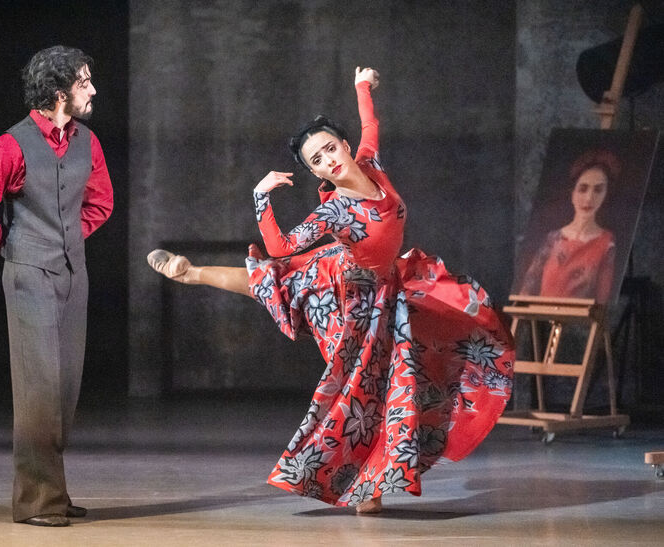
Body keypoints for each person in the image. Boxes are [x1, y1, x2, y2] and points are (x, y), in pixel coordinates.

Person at [148, 67, 514, 513]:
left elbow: (371, 125)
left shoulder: (371, 164)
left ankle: (370, 484)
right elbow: (280, 247)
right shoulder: (335, 210)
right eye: (317, 161)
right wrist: (261, 198)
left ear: (343, 144)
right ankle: (192, 273)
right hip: (349, 302)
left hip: (386, 290)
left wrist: (363, 85)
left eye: (329, 149)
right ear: (312, 171)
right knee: (353, 374)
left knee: (408, 370)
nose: (329, 161)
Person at [0, 45, 113, 527]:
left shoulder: (87, 141)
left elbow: (100, 202)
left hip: (72, 273)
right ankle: (37, 501)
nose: (92, 89)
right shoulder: (10, 146)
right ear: (58, 90)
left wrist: (67, 240)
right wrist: (18, 245)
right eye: (84, 81)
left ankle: (53, 490)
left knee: (64, 389)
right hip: (29, 274)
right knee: (39, 390)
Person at [520, 149, 618, 303]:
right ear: (572, 193)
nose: (589, 198)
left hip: (579, 324)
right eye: (583, 189)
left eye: (598, 190)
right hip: (541, 321)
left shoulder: (606, 245)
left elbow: (601, 304)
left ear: (605, 195)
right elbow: (526, 289)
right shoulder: (553, 239)